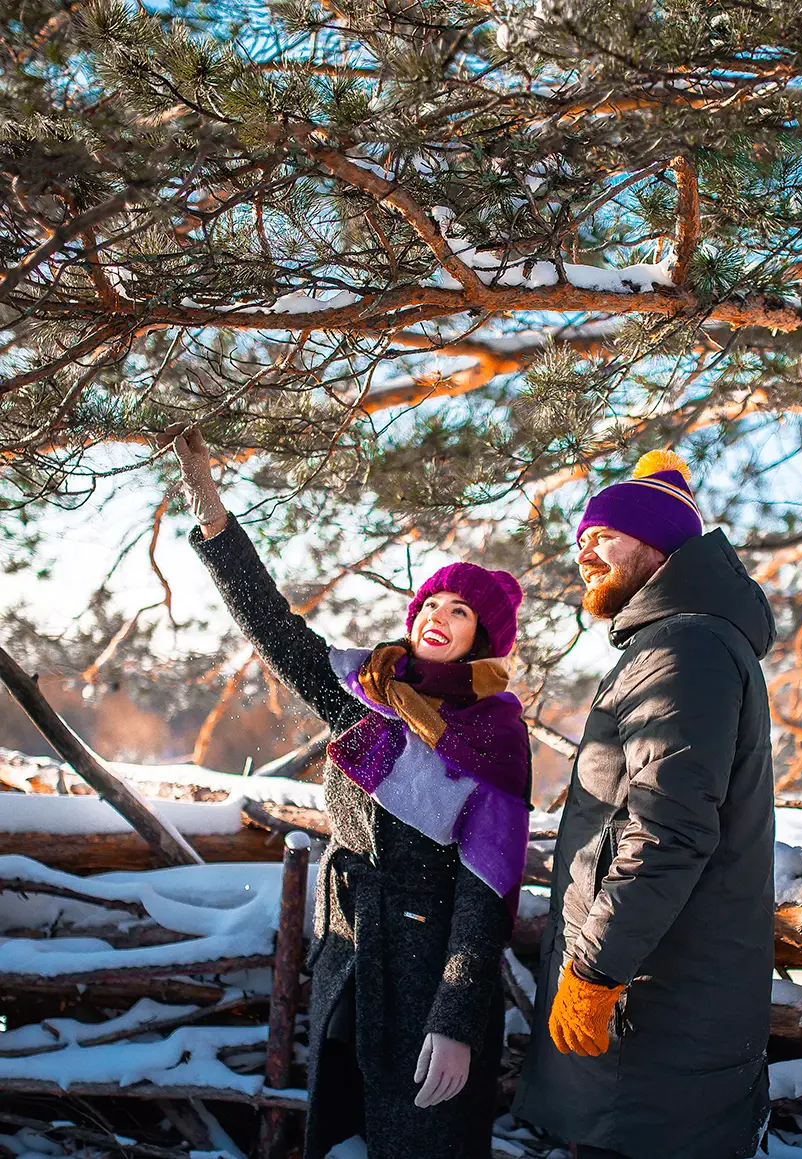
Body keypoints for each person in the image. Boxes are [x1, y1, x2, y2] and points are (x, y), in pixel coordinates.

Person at [161, 425, 531, 1159]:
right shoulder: (369, 698)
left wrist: (455, 1019)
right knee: (341, 1139)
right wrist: (214, 521)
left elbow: (488, 890)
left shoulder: (494, 736)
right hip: (349, 961)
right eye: (432, 603)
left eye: (460, 611)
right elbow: (277, 630)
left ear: (482, 637)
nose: (438, 618)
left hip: (427, 985)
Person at [513, 449, 776, 1159]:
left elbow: (668, 831)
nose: (584, 551)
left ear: (657, 542)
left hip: (654, 1024)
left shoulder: (684, 648)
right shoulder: (676, 641)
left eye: (603, 534)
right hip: (658, 1021)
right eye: (580, 539)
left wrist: (595, 971)